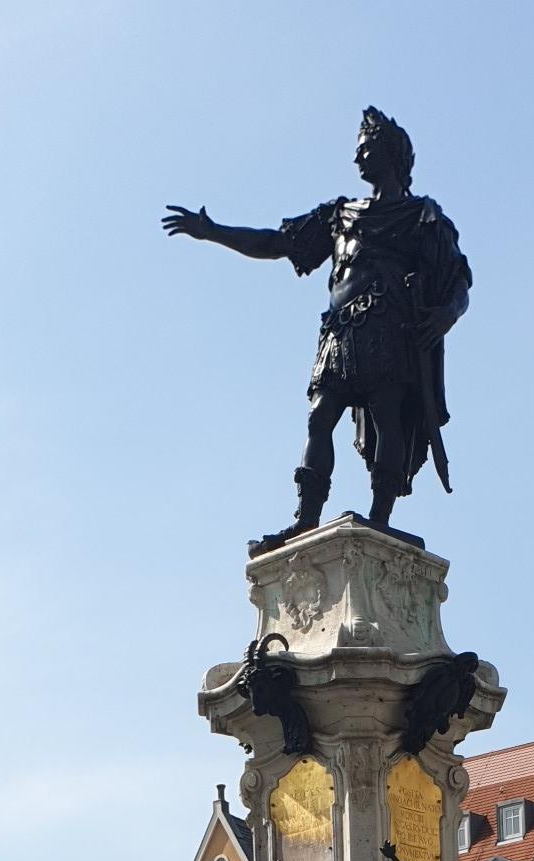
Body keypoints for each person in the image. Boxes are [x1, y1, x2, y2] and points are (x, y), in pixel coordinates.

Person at [163, 107, 471, 551]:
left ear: (391, 154)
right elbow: (275, 242)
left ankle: (380, 516)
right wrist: (213, 232)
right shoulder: (340, 216)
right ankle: (306, 519)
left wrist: (448, 313)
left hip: (390, 327)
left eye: (366, 150)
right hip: (341, 331)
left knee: (387, 417)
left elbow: (459, 277)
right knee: (319, 415)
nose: (357, 159)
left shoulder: (423, 218)